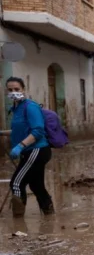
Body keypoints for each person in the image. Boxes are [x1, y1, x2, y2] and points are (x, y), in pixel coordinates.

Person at [5, 77, 54, 217]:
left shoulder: (30, 106)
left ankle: (19, 223)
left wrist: (19, 146)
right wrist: (4, 133)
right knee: (36, 185)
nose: (13, 92)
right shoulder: (15, 109)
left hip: (37, 150)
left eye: (16, 89)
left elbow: (38, 131)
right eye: (10, 90)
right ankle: (50, 215)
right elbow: (22, 130)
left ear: (24, 90)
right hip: (29, 151)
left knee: (16, 183)